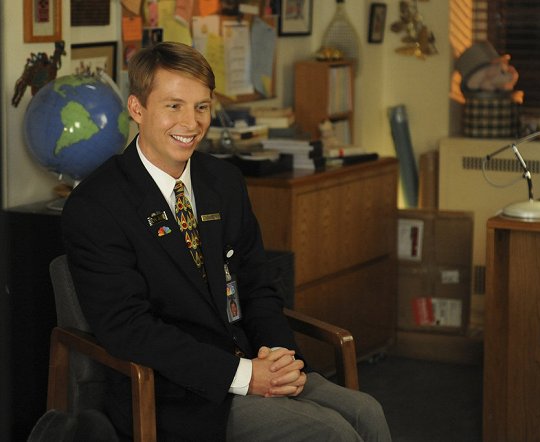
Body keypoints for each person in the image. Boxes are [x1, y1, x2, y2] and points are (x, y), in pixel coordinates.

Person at [61, 41, 391, 441]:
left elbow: (257, 285)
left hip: (255, 362)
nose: (192, 122)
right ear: (136, 109)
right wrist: (247, 376)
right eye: (174, 106)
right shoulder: (97, 204)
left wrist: (278, 358)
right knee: (330, 432)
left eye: (202, 107)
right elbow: (129, 329)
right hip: (176, 390)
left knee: (365, 412)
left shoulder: (223, 181)